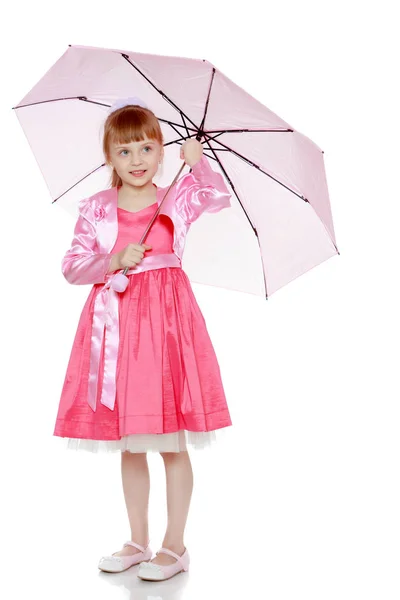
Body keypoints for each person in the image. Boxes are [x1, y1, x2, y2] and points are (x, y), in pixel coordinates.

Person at [53, 98, 233, 581]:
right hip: (117, 327)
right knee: (131, 443)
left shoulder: (176, 196)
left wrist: (200, 165)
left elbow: (219, 199)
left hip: (167, 324)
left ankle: (175, 546)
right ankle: (138, 538)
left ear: (161, 153)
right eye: (125, 151)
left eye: (147, 148)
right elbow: (72, 267)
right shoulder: (96, 208)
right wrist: (112, 259)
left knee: (171, 440)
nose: (137, 160)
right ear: (109, 156)